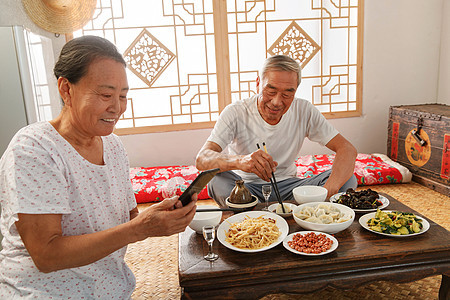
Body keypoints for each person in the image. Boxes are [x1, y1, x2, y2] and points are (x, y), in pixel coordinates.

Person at [0, 36, 197, 299]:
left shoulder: (113, 146)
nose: (116, 108)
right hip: (42, 292)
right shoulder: (33, 149)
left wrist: (161, 217)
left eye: (123, 96)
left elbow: (127, 221)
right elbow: (46, 255)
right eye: (106, 95)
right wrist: (141, 228)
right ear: (66, 89)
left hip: (110, 288)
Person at [196, 55, 357, 207]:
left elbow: (347, 149)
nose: (277, 102)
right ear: (258, 83)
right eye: (271, 91)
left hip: (289, 188)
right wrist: (241, 161)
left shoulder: (304, 110)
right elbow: (202, 159)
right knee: (215, 179)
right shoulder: (235, 112)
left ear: (295, 91)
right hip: (245, 188)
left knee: (347, 178)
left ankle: (264, 213)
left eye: (287, 93)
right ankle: (275, 214)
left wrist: (328, 191)